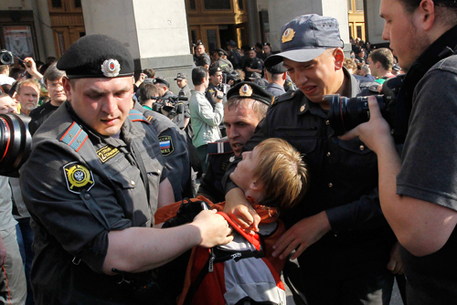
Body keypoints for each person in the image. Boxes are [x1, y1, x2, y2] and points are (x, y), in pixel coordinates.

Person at [19, 34, 233, 304]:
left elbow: (161, 186)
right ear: (67, 87)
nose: (110, 109)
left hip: (147, 287)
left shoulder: (137, 125)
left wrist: (168, 233)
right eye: (95, 95)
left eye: (121, 93)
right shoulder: (53, 155)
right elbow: (113, 253)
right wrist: (197, 232)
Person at [223, 14, 399, 305]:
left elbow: (400, 187)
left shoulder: (377, 108)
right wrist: (234, 194)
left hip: (367, 258)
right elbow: (239, 163)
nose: (299, 79)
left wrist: (325, 221)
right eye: (291, 70)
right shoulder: (282, 113)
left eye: (308, 67)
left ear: (338, 59)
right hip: (308, 261)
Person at [340, 0, 457, 304]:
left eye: (390, 20)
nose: (384, 34)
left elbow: (420, 233)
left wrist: (380, 142)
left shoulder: (446, 79)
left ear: (426, 12)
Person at [172, 138, 309, 305]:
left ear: (255, 183)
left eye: (251, 157)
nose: (244, 154)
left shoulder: (214, 221)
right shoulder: (279, 231)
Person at [197, 82, 271, 203]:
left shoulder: (278, 158)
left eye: (241, 125)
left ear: (263, 124)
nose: (232, 134)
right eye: (227, 125)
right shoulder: (220, 152)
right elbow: (206, 190)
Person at [189, 66, 223, 172]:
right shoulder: (199, 100)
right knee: (210, 175)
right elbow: (215, 121)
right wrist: (219, 103)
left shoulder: (199, 98)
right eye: (208, 79)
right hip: (206, 143)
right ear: (204, 79)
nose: (208, 81)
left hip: (207, 141)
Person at [29, 63, 67, 135]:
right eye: (53, 84)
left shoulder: (80, 110)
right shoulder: (37, 114)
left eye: (61, 84)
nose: (58, 89)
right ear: (46, 86)